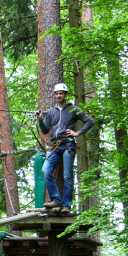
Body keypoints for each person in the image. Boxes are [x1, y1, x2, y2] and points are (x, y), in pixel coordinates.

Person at [36, 83, 95, 214]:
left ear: (66, 95)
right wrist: (40, 120)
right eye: (57, 93)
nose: (59, 95)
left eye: (61, 93)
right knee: (46, 171)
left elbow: (90, 121)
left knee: (68, 176)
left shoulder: (74, 109)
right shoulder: (51, 112)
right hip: (54, 147)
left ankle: (67, 205)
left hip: (68, 145)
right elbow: (46, 130)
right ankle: (56, 199)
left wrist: (78, 133)